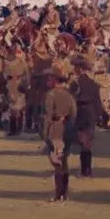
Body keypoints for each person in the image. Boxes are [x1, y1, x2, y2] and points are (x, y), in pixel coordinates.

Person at [42, 62, 76, 202]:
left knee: (57, 163)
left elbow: (48, 116)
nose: (48, 80)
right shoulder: (69, 95)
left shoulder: (51, 95)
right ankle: (65, 193)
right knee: (65, 161)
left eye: (50, 78)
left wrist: (45, 134)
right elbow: (74, 114)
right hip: (67, 130)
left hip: (55, 130)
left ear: (55, 79)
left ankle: (58, 194)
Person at [69, 55, 101, 177]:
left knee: (83, 142)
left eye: (77, 67)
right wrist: (98, 115)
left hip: (80, 112)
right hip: (91, 113)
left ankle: (85, 169)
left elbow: (71, 99)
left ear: (81, 68)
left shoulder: (75, 83)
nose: (75, 69)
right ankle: (87, 169)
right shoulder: (93, 83)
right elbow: (98, 101)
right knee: (88, 141)